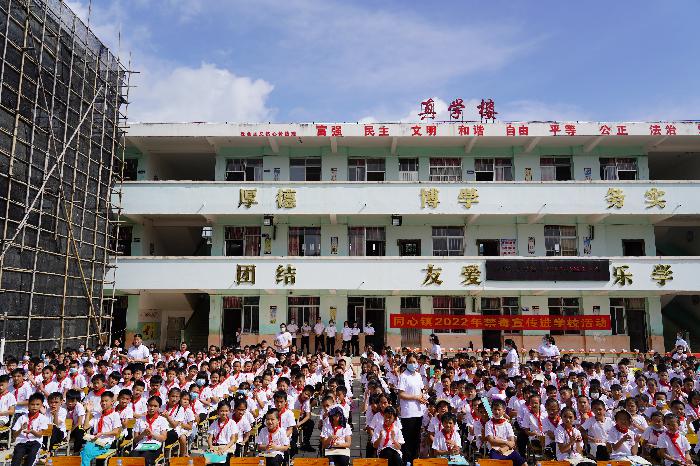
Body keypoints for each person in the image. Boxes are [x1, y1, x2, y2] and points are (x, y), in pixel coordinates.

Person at [397, 353, 426, 465]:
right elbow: (401, 394)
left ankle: (415, 459)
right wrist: (415, 397)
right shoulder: (403, 376)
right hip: (408, 412)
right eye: (410, 362)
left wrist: (422, 397)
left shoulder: (418, 375)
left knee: (416, 437)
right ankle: (407, 460)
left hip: (418, 411)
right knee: (407, 438)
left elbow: (421, 390)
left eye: (414, 362)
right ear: (406, 363)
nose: (412, 364)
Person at [80, 391, 122, 466]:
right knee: (84, 451)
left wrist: (102, 433)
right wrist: (88, 412)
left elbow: (116, 431)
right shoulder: (98, 415)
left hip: (106, 442)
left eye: (106, 401)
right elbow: (85, 427)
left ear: (112, 402)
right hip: (95, 441)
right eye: (102, 401)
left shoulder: (115, 415)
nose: (103, 403)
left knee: (86, 452)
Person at [10, 393, 48, 466]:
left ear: (41, 406)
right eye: (32, 404)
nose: (35, 407)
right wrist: (21, 429)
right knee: (17, 456)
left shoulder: (43, 418)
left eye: (37, 404)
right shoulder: (22, 418)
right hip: (22, 442)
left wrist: (31, 431)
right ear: (28, 405)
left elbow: (40, 435)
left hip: (35, 442)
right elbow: (14, 435)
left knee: (32, 455)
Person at [131, 396, 170, 466]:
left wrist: (152, 434)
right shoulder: (140, 420)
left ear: (159, 407)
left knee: (145, 457)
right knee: (132, 456)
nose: (152, 408)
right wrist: (143, 434)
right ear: (147, 405)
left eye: (155, 406)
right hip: (141, 445)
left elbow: (163, 438)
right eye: (150, 405)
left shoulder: (162, 420)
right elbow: (135, 440)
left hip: (155, 446)